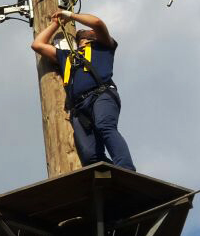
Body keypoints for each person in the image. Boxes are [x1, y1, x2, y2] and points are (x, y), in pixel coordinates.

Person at [31, 9, 135, 170]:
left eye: (88, 30)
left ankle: (126, 168)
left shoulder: (103, 47)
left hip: (101, 95)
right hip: (79, 108)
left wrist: (71, 15)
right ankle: (108, 176)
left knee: (104, 126)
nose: (84, 29)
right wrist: (55, 24)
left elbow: (98, 23)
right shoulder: (67, 56)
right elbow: (37, 45)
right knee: (89, 154)